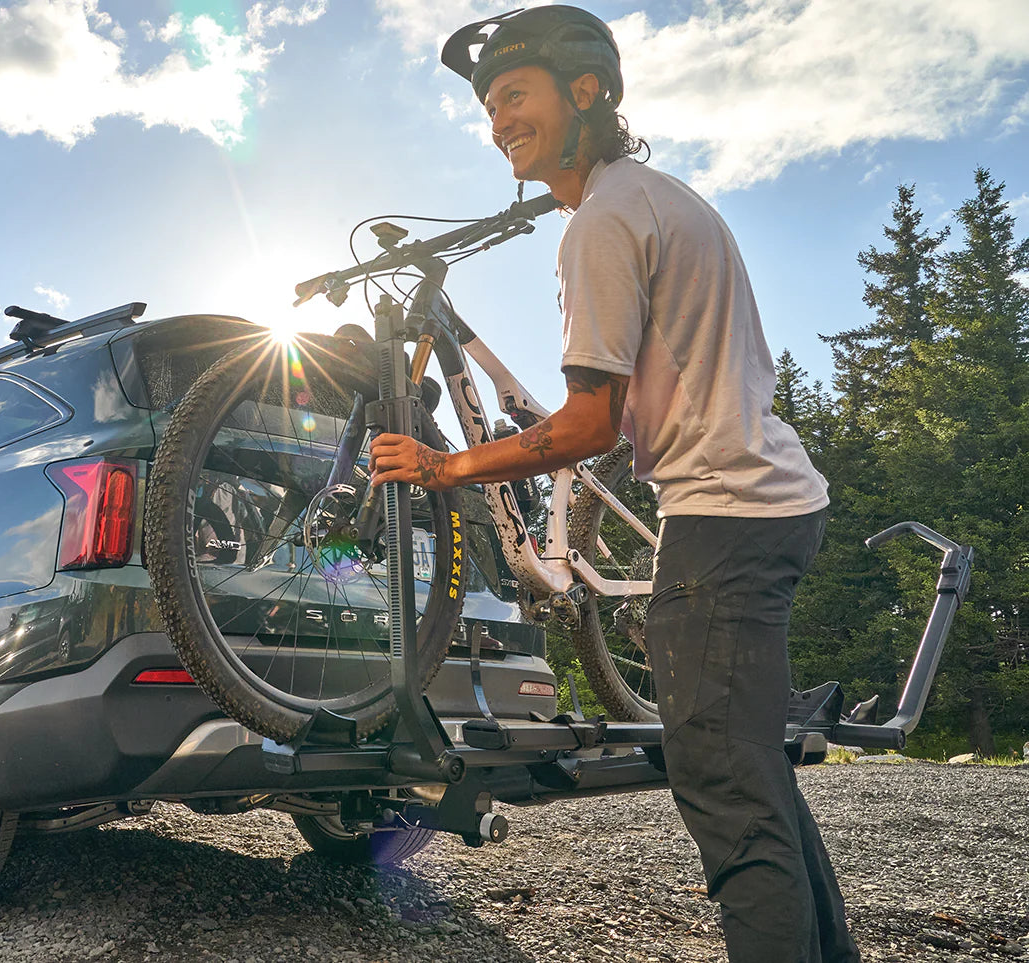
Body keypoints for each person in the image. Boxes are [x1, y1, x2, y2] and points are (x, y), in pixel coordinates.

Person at [368, 6, 860, 962]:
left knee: (722, 786)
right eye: (487, 107)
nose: (497, 120)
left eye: (514, 95)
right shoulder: (649, 197)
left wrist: (443, 465)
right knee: (752, 777)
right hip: (761, 503)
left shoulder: (601, 220)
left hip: (723, 516)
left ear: (584, 90)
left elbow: (588, 426)